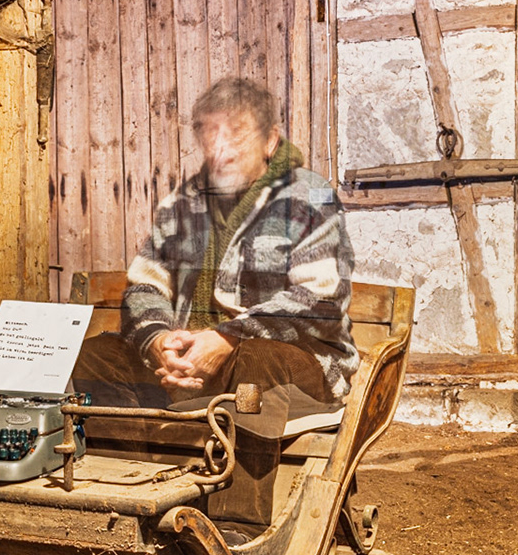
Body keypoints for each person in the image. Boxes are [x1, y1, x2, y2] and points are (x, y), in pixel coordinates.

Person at [73, 77, 356, 416]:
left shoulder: (309, 197)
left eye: (237, 133)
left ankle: (241, 453)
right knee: (96, 356)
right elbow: (145, 288)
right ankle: (141, 450)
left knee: (257, 361)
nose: (221, 148)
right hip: (189, 365)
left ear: (269, 141)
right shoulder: (182, 203)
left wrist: (230, 337)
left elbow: (321, 301)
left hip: (289, 362)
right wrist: (160, 342)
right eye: (210, 133)